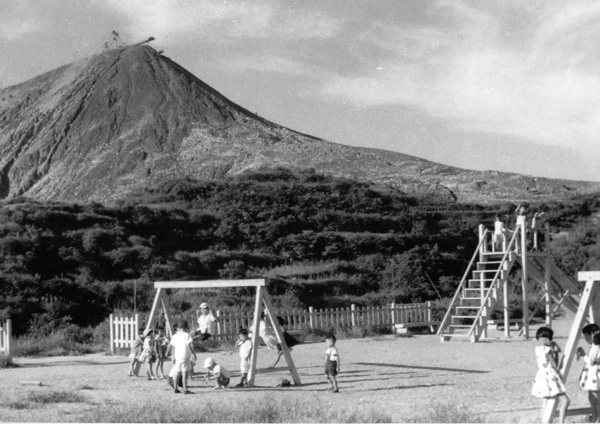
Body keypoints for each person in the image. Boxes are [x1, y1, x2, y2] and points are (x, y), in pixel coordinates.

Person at [531, 327, 570, 423]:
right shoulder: (547, 350)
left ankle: (542, 421)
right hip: (550, 376)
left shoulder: (537, 349)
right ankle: (561, 421)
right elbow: (555, 365)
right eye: (550, 338)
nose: (551, 340)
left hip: (541, 376)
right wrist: (556, 353)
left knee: (546, 401)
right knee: (565, 400)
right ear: (545, 338)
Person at [577, 324, 600, 422]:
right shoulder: (595, 346)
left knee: (595, 397)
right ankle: (595, 416)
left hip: (594, 373)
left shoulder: (596, 346)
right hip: (592, 373)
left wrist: (583, 354)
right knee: (592, 396)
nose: (586, 339)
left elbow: (590, 361)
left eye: (586, 336)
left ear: (592, 334)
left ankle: (597, 417)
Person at [169, 320, 196, 394]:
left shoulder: (175, 336)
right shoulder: (187, 335)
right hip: (185, 356)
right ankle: (185, 389)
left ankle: (175, 388)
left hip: (177, 356)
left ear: (179, 327)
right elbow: (191, 345)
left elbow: (171, 346)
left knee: (177, 372)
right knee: (184, 373)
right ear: (185, 328)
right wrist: (194, 353)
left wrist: (170, 354)